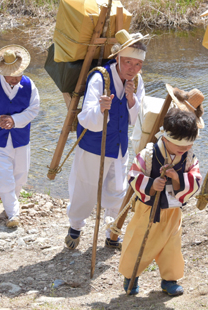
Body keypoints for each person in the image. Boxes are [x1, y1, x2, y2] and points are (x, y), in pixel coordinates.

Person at [65, 29, 146, 250]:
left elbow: (135, 118)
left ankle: (113, 232)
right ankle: (76, 226)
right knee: (85, 188)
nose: (132, 68)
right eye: (128, 62)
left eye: (137, 64)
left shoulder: (137, 81)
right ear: (118, 58)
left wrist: (131, 98)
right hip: (94, 146)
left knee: (118, 188)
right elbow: (86, 116)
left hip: (119, 145)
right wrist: (100, 109)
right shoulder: (100, 77)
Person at [119, 95, 203, 296]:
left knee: (171, 247)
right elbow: (134, 174)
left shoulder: (189, 158)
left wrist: (177, 179)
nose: (184, 150)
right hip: (148, 209)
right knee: (139, 241)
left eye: (188, 146)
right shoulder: (148, 155)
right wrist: (151, 184)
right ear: (165, 138)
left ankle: (169, 279)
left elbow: (196, 179)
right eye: (180, 146)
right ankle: (131, 276)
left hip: (172, 211)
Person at [0, 45, 40, 228]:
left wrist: (14, 120)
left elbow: (34, 109)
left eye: (18, 72)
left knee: (20, 175)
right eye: (11, 73)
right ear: (2, 71)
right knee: (5, 177)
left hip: (21, 138)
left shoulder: (29, 84)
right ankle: (13, 214)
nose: (15, 77)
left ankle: (11, 204)